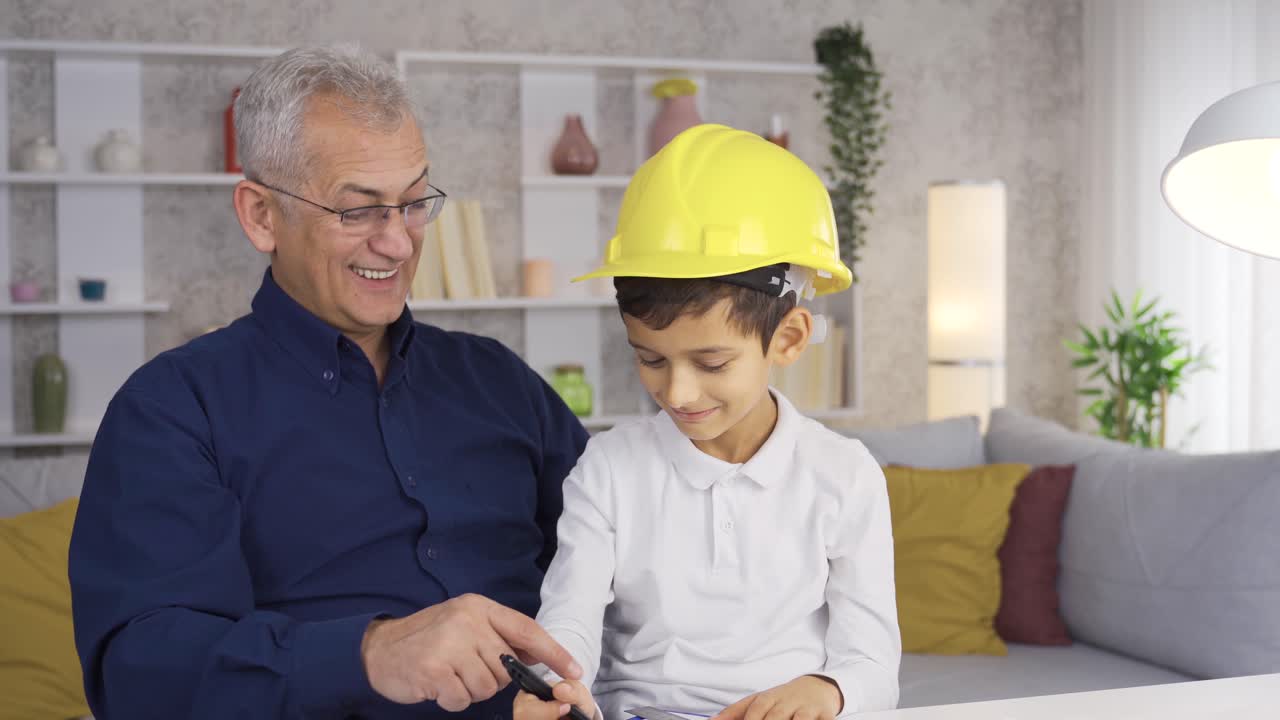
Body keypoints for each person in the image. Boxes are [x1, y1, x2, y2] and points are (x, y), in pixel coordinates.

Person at [69, 44, 588, 720]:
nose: (399, 244)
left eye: (413, 203)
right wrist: (372, 654)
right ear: (261, 215)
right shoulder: (172, 411)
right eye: (359, 210)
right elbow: (143, 676)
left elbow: (632, 547)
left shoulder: (501, 382)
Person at [513, 124, 901, 720]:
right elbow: (571, 618)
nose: (677, 391)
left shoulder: (844, 476)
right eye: (650, 359)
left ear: (789, 338)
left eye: (712, 362)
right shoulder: (610, 469)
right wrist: (555, 682)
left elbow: (873, 663)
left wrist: (828, 691)